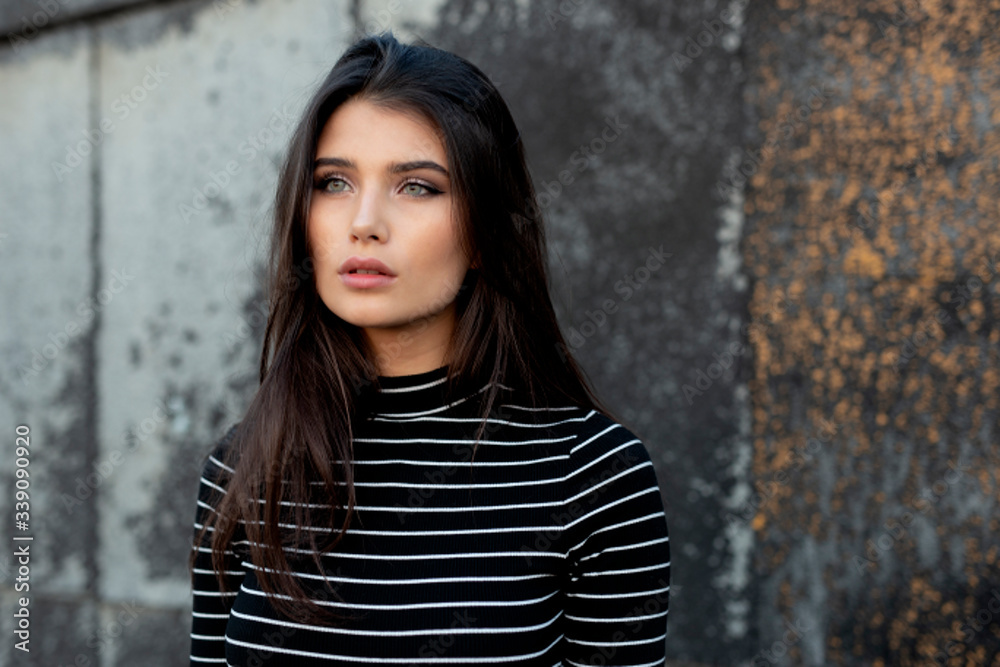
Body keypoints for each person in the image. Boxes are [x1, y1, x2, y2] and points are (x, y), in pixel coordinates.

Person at [188, 30, 670, 666]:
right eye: (333, 182)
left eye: (416, 186)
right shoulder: (242, 469)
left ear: (484, 231)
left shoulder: (592, 478)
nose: (363, 222)